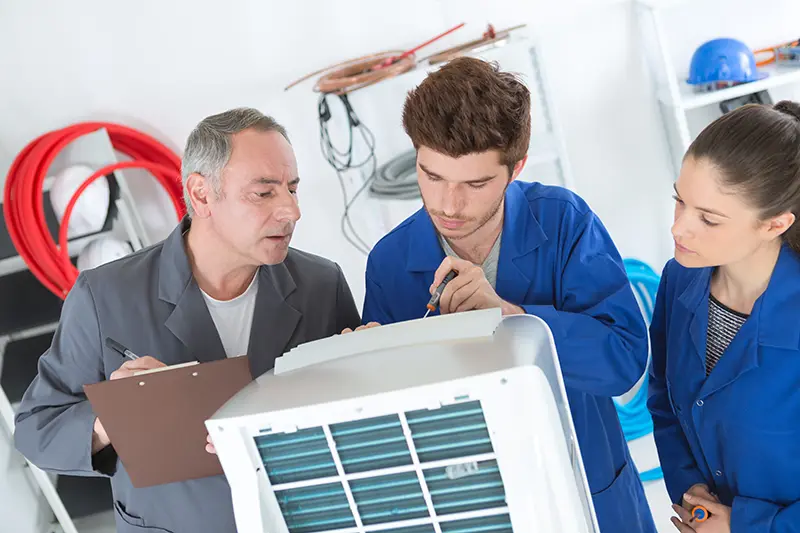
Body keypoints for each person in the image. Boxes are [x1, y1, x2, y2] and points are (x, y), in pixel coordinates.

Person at [14, 108, 361, 533]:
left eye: (292, 189)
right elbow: (37, 430)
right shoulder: (105, 297)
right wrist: (112, 420)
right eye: (264, 193)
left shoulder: (322, 285)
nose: (292, 210)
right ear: (201, 194)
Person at [358, 57, 657, 533]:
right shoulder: (389, 263)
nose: (449, 204)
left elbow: (623, 362)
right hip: (469, 501)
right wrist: (362, 371)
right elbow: (394, 426)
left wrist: (512, 316)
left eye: (475, 184)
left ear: (516, 168)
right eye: (432, 176)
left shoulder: (565, 222)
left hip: (585, 484)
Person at [648, 101, 800, 533]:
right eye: (680, 201)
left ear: (774, 225)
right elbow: (665, 400)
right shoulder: (679, 278)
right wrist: (690, 490)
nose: (679, 228)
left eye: (709, 219)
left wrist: (748, 526)